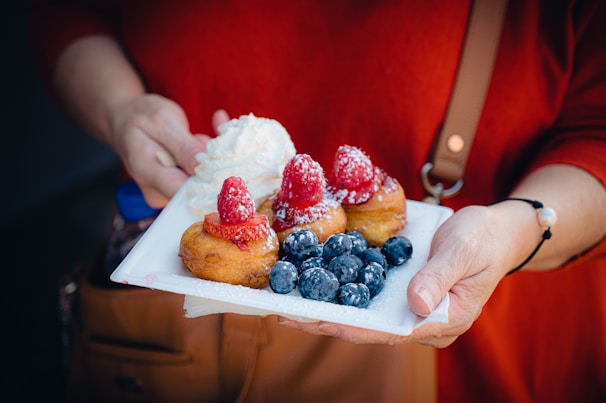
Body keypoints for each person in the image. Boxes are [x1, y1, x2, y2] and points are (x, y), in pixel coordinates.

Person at [28, 0, 606, 401]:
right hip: (175, 333)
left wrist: (523, 226)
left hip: (466, 351)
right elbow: (67, 13)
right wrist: (121, 109)